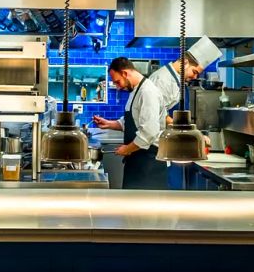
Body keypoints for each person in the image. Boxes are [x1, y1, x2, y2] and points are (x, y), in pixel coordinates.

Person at [92, 57, 167, 190]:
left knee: (145, 207)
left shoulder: (147, 92)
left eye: (117, 82)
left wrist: (127, 149)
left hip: (149, 162)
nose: (118, 87)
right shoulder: (136, 91)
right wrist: (109, 124)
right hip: (137, 159)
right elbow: (132, 122)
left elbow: (149, 132)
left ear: (125, 73)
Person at [149, 35, 223, 127]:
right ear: (185, 62)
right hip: (162, 137)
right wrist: (185, 129)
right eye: (194, 72)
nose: (195, 77)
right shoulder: (162, 79)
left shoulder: (177, 79)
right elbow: (156, 113)